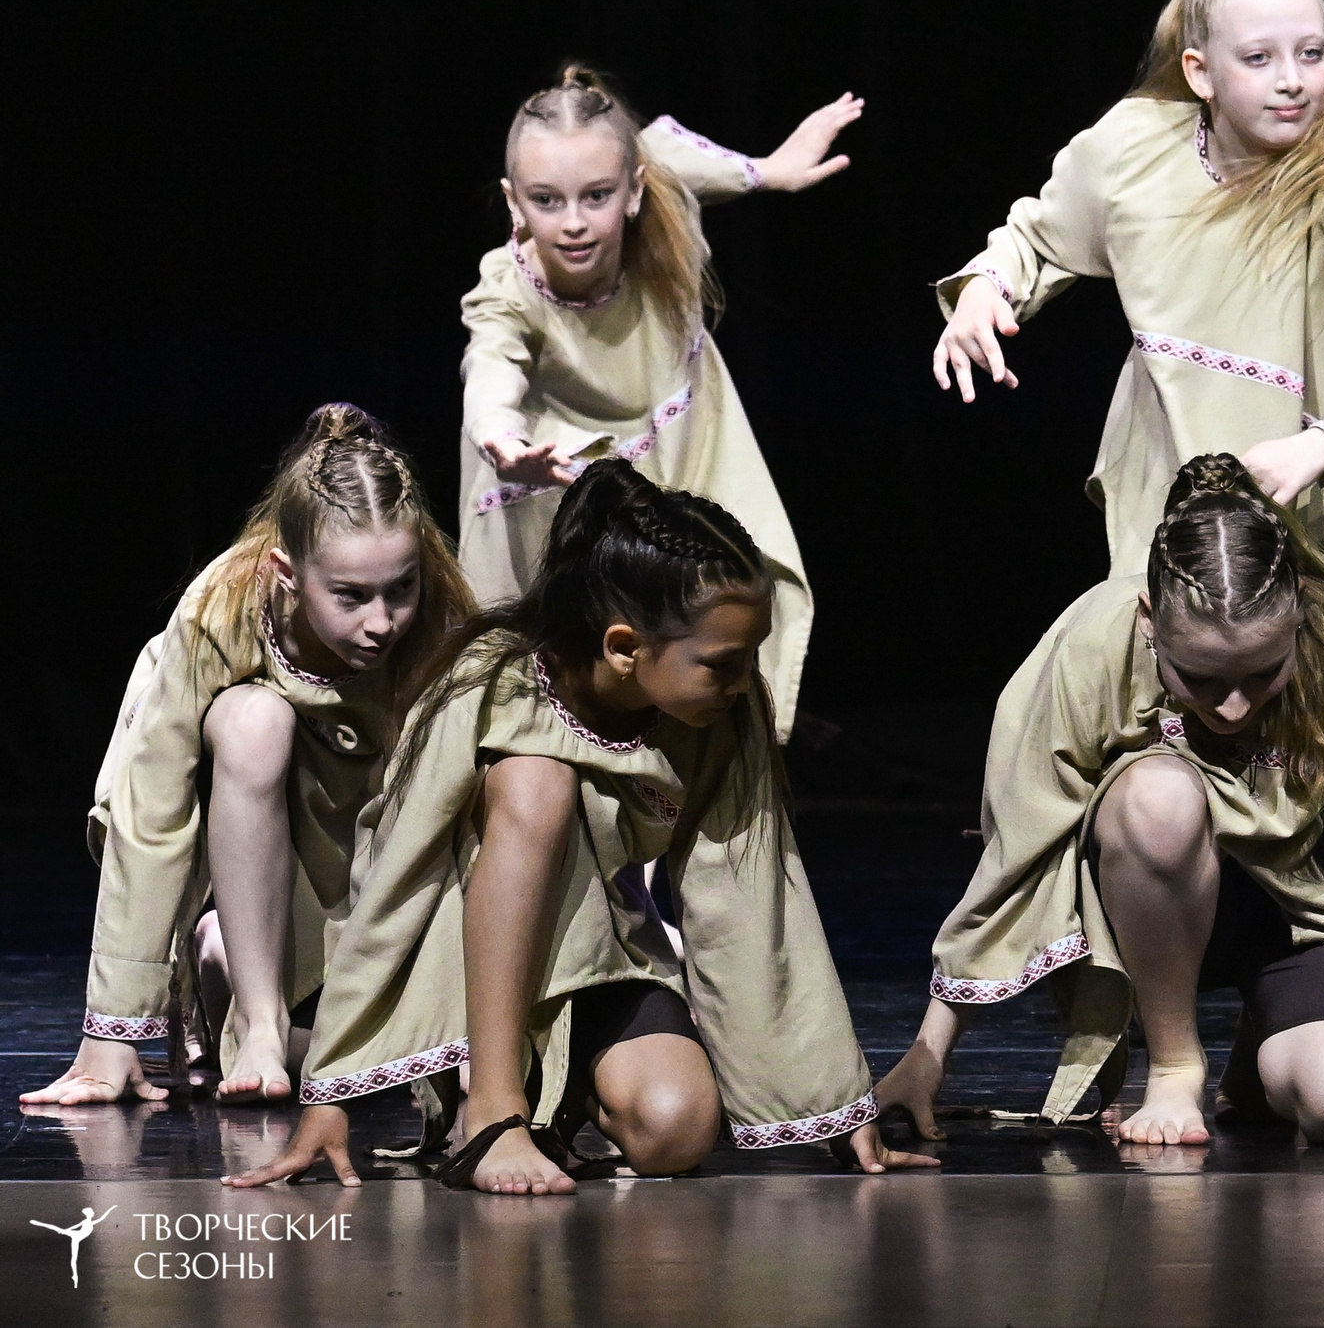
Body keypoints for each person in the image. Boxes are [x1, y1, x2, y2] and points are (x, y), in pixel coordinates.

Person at [223, 462, 934, 1193]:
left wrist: (831, 1104)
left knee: (677, 1128)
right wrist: (331, 1093)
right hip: (454, 960)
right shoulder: (489, 680)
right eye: (724, 663)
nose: (743, 681)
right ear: (625, 648)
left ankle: (552, 1095)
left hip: (596, 954)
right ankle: (492, 1110)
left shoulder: (720, 714)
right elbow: (400, 875)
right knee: (538, 781)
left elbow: (750, 890)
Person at [873, 454, 1324, 1147]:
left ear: (1299, 617)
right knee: (1159, 797)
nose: (1232, 705)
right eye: (1199, 676)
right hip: (1148, 918)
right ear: (1148, 619)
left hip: (1306, 917)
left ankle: (1265, 1054)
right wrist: (929, 1056)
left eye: (1263, 673)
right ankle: (1173, 1064)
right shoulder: (1092, 643)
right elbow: (1018, 847)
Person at [929, 0, 1324, 601]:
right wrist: (988, 286)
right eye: (1258, 59)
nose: (1292, 79)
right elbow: (1038, 237)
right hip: (1165, 503)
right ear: (1199, 71)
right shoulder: (1134, 148)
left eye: (1311, 52)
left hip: (1307, 520)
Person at [23, 404, 470, 1107]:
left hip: (376, 860)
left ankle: (240, 976)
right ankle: (258, 1018)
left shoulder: (443, 618)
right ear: (285, 572)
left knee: (399, 1062)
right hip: (260, 849)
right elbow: (152, 805)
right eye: (351, 595)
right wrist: (112, 1034)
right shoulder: (223, 608)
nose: (382, 621)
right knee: (252, 719)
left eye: (400, 588)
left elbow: (460, 810)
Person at [462, 65, 856, 739]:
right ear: (513, 201)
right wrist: (500, 436)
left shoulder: (659, 211)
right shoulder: (510, 284)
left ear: (635, 188)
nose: (576, 222)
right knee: (572, 686)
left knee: (712, 637)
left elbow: (672, 153)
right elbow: (490, 361)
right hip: (564, 480)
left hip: (686, 451)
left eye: (597, 195)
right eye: (546, 200)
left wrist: (765, 171)